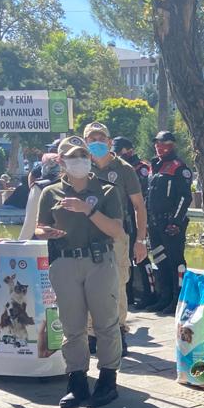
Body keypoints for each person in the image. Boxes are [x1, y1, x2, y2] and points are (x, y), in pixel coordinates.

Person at [34, 136, 124, 408]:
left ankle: (107, 380)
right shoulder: (51, 192)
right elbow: (39, 226)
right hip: (65, 262)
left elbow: (116, 230)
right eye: (73, 157)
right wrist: (46, 232)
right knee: (72, 326)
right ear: (62, 162)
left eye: (84, 156)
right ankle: (77, 381)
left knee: (105, 323)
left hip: (99, 261)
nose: (80, 161)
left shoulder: (106, 191)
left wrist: (88, 210)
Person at [84, 124, 148, 354]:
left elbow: (139, 206)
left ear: (110, 142)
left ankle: (118, 330)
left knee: (118, 283)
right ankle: (91, 334)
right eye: (92, 138)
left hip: (117, 234)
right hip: (87, 234)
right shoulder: (81, 167)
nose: (97, 141)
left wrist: (141, 240)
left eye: (101, 137)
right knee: (88, 283)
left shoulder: (124, 169)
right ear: (85, 142)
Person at [144, 130, 193, 315]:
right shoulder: (154, 166)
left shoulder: (179, 167)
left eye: (163, 143)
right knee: (160, 260)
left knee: (176, 262)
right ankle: (164, 297)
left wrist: (176, 222)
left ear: (172, 145)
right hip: (154, 223)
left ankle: (178, 299)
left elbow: (185, 197)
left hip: (171, 224)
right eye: (157, 143)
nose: (159, 147)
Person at [113, 136, 154, 309]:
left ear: (128, 150)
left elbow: (141, 196)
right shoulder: (116, 168)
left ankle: (150, 294)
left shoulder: (140, 168)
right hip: (122, 218)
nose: (117, 154)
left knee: (141, 258)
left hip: (137, 217)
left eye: (119, 151)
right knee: (125, 259)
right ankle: (128, 296)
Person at [17, 149, 62, 240]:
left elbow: (30, 220)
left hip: (45, 237)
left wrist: (22, 241)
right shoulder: (71, 183)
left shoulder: (38, 187)